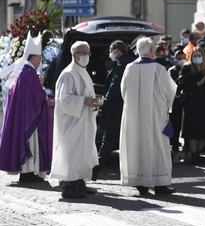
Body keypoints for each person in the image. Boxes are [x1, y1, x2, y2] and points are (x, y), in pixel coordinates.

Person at [119, 37, 177, 196]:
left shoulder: (129, 68)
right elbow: (170, 92)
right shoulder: (158, 69)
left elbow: (123, 92)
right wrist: (165, 107)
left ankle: (140, 183)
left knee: (137, 146)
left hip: (133, 115)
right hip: (155, 116)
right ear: (151, 51)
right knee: (158, 146)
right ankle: (160, 184)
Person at [49, 41, 101, 199]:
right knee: (72, 153)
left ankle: (79, 183)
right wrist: (83, 101)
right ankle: (69, 187)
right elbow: (63, 100)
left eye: (88, 53)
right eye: (84, 53)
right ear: (75, 55)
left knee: (82, 152)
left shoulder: (82, 71)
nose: (87, 56)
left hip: (83, 120)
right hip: (72, 122)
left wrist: (92, 102)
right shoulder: (68, 74)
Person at [0, 34, 52, 183]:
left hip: (24, 116)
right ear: (33, 57)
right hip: (30, 117)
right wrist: (42, 90)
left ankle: (27, 172)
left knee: (28, 141)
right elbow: (38, 97)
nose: (40, 60)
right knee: (31, 142)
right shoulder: (28, 74)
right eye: (39, 57)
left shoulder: (22, 73)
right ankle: (28, 172)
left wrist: (38, 84)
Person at [94, 40, 135, 180]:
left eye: (111, 52)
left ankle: (95, 171)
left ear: (116, 51)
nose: (110, 55)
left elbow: (114, 88)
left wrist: (103, 104)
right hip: (129, 109)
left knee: (107, 142)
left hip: (117, 110)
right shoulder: (133, 63)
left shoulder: (121, 65)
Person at [178, 48, 205, 164]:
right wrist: (198, 83)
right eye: (195, 56)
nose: (197, 58)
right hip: (192, 103)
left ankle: (198, 152)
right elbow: (183, 84)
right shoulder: (187, 68)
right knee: (193, 130)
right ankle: (194, 154)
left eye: (199, 56)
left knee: (204, 130)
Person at [168, 50, 186, 158]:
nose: (181, 60)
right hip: (175, 103)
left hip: (185, 102)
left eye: (183, 57)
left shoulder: (187, 69)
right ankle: (174, 147)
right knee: (175, 125)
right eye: (179, 58)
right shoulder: (172, 71)